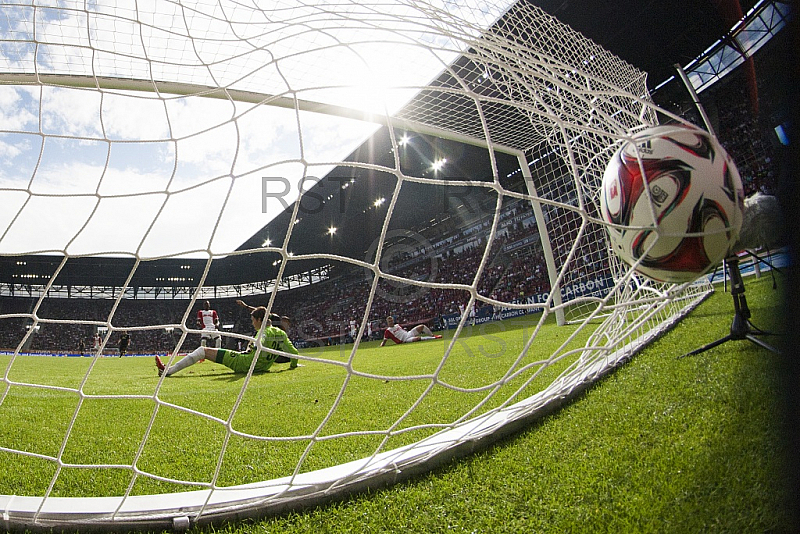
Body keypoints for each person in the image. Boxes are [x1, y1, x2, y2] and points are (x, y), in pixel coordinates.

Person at [156, 306, 299, 377]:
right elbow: (294, 353)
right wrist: (293, 366)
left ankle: (167, 371)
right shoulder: (280, 333)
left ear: (260, 320)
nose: (252, 323)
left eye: (253, 320)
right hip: (261, 367)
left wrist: (253, 346)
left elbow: (259, 342)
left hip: (243, 363)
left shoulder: (263, 332)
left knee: (202, 351)